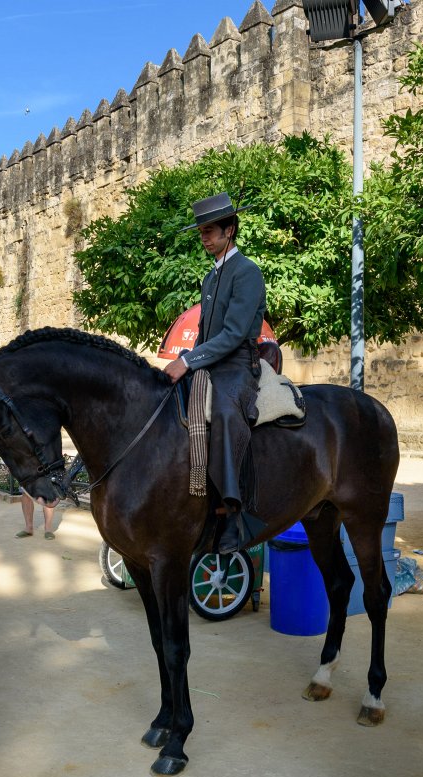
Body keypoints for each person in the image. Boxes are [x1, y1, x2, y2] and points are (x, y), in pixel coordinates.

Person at [163, 191, 267, 554]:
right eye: (201, 232)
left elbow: (235, 334)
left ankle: (232, 513)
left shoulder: (248, 272)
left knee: (223, 412)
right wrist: (188, 360)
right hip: (211, 361)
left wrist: (188, 360)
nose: (204, 238)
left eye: (210, 231)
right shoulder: (211, 278)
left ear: (230, 229)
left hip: (239, 363)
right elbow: (208, 335)